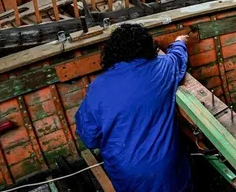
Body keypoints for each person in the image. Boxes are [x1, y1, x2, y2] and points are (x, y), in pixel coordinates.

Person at [75, 24, 191, 192]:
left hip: (126, 174)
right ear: (148, 48)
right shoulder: (162, 68)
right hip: (166, 169)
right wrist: (179, 42)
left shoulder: (97, 87)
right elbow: (178, 58)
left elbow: (89, 138)